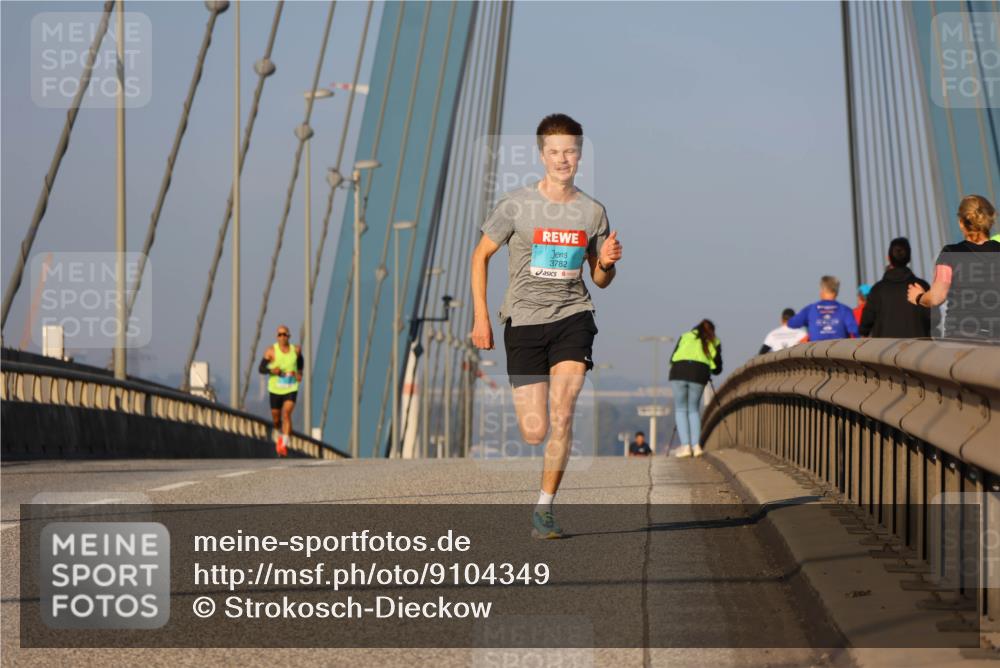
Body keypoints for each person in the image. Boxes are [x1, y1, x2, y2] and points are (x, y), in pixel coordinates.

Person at [470, 113, 622, 539]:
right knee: (535, 431)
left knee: (563, 411)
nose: (562, 159)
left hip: (574, 317)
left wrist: (607, 262)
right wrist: (482, 316)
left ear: (580, 154)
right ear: (541, 156)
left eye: (570, 151)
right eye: (554, 152)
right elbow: (479, 256)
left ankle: (545, 510)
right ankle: (542, 494)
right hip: (523, 322)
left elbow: (600, 279)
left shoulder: (593, 212)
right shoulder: (516, 205)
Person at [908, 195, 1000, 341]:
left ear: (961, 223)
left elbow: (936, 297)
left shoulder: (950, 254)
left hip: (962, 340)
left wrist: (918, 297)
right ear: (991, 220)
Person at [668, 319, 722, 458]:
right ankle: (696, 446)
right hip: (699, 374)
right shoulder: (714, 341)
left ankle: (685, 447)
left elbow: (672, 358)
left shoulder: (685, 336)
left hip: (678, 371)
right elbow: (717, 367)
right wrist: (711, 371)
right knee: (693, 410)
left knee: (680, 409)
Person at [859, 237, 930, 338]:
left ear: (889, 258)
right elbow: (934, 319)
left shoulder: (877, 290)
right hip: (918, 351)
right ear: (909, 258)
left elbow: (865, 325)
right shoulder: (922, 286)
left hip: (886, 351)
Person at [258, 325, 303, 457]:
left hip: (291, 387)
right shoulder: (271, 351)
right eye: (280, 334)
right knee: (277, 420)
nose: (282, 337)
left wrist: (300, 372)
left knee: (286, 414)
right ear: (277, 337)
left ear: (289, 336)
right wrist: (272, 370)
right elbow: (261, 368)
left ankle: (283, 446)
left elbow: (300, 361)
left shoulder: (296, 350)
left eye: (285, 334)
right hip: (275, 389)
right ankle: (279, 435)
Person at [786, 276, 859, 341]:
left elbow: (791, 323)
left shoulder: (810, 310)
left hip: (816, 352)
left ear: (822, 290)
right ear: (836, 292)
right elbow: (855, 332)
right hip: (839, 352)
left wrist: (809, 323)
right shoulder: (845, 310)